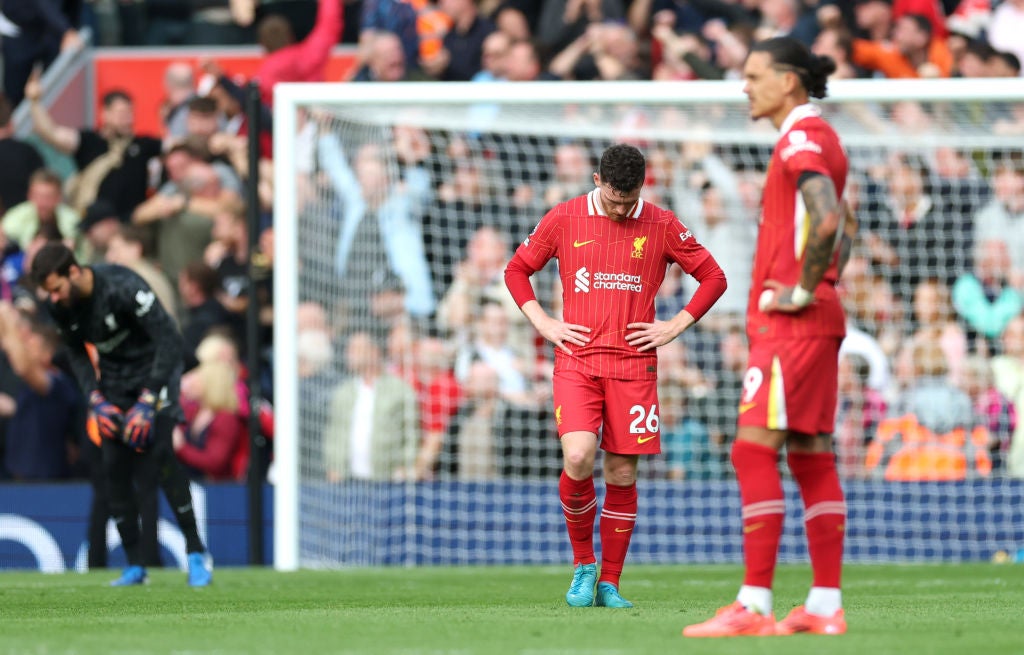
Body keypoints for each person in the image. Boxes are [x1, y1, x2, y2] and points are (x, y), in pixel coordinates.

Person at [683, 37, 857, 637]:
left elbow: (831, 218)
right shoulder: (820, 138)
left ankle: (753, 605)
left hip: (792, 324)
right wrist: (827, 283)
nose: (745, 85)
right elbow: (847, 227)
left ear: (789, 81)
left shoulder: (802, 139)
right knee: (810, 456)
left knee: (752, 449)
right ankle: (824, 605)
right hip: (815, 321)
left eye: (754, 75)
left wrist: (805, 289)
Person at [504, 143, 727, 608]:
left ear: (642, 187)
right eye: (613, 200)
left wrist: (675, 325)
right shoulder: (564, 218)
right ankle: (583, 564)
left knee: (623, 473)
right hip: (577, 361)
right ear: (596, 181)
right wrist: (543, 322)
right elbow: (517, 269)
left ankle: (610, 581)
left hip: (634, 366)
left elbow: (713, 276)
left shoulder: (663, 223)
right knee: (579, 456)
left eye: (629, 200)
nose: (622, 209)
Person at [30, 242, 213, 587]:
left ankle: (195, 553)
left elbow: (170, 339)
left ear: (74, 271)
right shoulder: (61, 307)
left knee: (161, 456)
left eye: (56, 289)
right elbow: (76, 355)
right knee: (112, 466)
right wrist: (96, 399)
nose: (52, 298)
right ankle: (134, 565)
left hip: (156, 374)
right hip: (114, 382)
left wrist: (147, 401)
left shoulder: (123, 286)